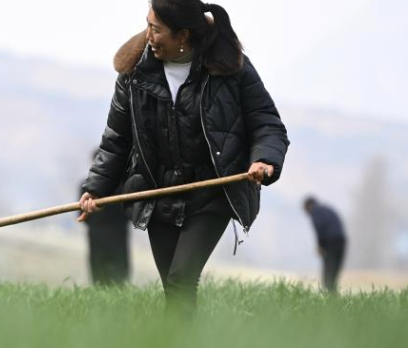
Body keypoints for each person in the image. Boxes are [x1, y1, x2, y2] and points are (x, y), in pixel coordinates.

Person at [78, 0, 289, 319]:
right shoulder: (134, 73)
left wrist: (264, 160)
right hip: (158, 193)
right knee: (173, 289)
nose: (147, 35)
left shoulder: (231, 68)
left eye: (156, 29)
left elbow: (266, 122)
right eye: (147, 24)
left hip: (211, 193)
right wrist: (96, 189)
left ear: (184, 36)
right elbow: (117, 140)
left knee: (180, 281)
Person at [81, 148, 131, 285]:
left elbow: (129, 211)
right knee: (99, 268)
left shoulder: (123, 186)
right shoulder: (86, 187)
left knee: (118, 269)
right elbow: (82, 214)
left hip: (115, 233)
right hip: (100, 233)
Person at [303, 197, 346, 293]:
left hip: (331, 243)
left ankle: (330, 298)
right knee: (334, 273)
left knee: (327, 275)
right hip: (341, 241)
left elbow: (320, 228)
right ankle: (334, 296)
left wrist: (320, 246)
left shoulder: (315, 212)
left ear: (308, 206)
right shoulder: (326, 209)